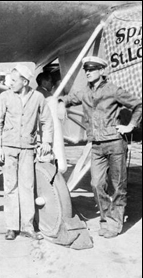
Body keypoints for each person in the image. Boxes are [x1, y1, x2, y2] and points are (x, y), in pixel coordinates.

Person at [57, 56, 142, 238]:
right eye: (86, 69)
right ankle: (106, 219)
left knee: (118, 186)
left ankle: (114, 223)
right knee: (96, 184)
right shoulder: (85, 93)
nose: (88, 72)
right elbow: (67, 98)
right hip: (96, 145)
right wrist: (61, 104)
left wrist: (130, 126)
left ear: (102, 71)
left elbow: (138, 104)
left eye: (92, 69)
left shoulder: (113, 91)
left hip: (115, 142)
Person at [0, 64, 53, 241]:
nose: (10, 83)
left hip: (28, 148)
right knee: (10, 187)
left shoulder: (38, 98)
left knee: (27, 187)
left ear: (25, 82)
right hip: (9, 148)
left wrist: (47, 141)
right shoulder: (5, 97)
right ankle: (11, 227)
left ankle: (27, 226)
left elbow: (47, 121)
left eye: (13, 80)